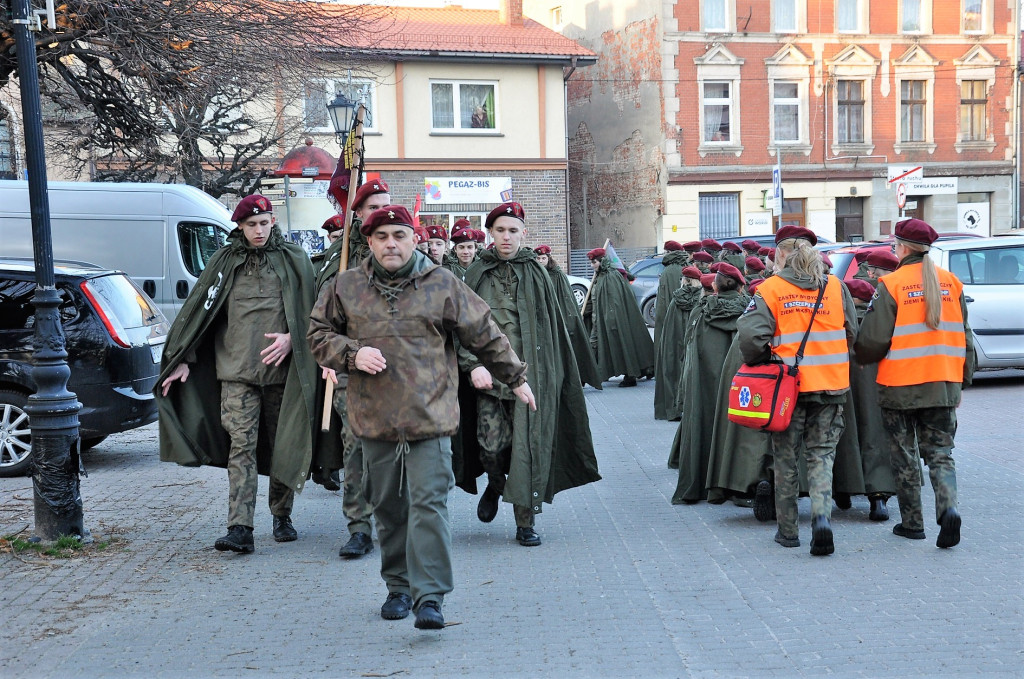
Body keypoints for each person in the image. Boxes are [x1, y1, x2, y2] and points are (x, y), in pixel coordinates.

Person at [307, 205, 537, 630]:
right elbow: (318, 334)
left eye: (399, 235)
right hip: (374, 419)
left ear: (414, 239)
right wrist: (352, 353)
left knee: (429, 504)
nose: (390, 244)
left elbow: (483, 330)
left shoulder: (442, 284)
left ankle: (430, 596)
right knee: (390, 508)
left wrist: (516, 377)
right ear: (370, 242)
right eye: (381, 237)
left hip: (431, 416)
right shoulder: (347, 286)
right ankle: (398, 586)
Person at [157, 194, 318, 553]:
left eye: (263, 223)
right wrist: (185, 357)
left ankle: (282, 514)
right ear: (240, 227)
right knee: (241, 448)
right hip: (236, 373)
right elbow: (202, 313)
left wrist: (294, 338)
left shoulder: (294, 260)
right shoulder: (224, 262)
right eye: (250, 225)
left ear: (273, 221)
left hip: (283, 375)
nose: (258, 231)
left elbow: (314, 313)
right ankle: (240, 526)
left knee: (282, 446)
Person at [458, 202, 600, 547]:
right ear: (490, 234)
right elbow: (460, 325)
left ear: (524, 233)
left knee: (528, 450)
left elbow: (552, 328)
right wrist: (472, 364)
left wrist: (555, 374)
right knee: (491, 447)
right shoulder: (475, 273)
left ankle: (525, 521)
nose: (507, 237)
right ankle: (495, 484)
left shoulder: (538, 273)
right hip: (489, 380)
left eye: (513, 230)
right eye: (500, 230)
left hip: (530, 379)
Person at [737, 225, 858, 556]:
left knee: (785, 459)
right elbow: (852, 331)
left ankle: (788, 531)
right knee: (822, 457)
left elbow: (749, 339)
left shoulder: (771, 289)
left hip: (786, 390)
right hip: (831, 387)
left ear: (779, 255)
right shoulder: (834, 286)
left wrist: (766, 360)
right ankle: (821, 521)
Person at [854, 218, 974, 548]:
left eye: (894, 245)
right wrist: (961, 381)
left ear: (903, 248)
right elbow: (966, 338)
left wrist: (859, 354)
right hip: (943, 383)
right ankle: (948, 509)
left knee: (904, 455)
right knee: (941, 454)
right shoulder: (952, 283)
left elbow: (874, 339)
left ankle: (912, 524)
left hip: (900, 386)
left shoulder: (892, 284)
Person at [670, 263, 749, 504]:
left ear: (715, 286)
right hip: (739, 383)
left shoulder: (701, 311)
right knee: (737, 430)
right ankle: (736, 485)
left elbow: (689, 347)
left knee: (703, 426)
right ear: (739, 286)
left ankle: (702, 483)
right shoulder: (749, 311)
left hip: (704, 383)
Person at [845, 278, 896, 521]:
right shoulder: (883, 324)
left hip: (840, 390)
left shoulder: (838, 323)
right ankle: (878, 499)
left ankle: (842, 491)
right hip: (879, 391)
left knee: (842, 439)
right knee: (876, 436)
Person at [584, 247, 655, 387]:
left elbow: (614, 302)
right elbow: (596, 299)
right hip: (600, 320)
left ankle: (630, 375)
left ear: (602, 261)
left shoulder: (610, 276)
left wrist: (610, 322)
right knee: (597, 346)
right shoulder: (601, 276)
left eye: (594, 262)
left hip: (610, 321)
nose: (592, 266)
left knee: (621, 346)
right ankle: (595, 374)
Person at [534, 244, 602, 389]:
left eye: (543, 258)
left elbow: (565, 299)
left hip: (561, 318)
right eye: (538, 258)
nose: (541, 260)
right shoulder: (536, 274)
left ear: (549, 258)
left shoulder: (557, 275)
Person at [654, 241, 689, 420]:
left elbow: (662, 306)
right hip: (685, 324)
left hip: (671, 324)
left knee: (670, 365)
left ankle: (672, 408)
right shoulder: (686, 267)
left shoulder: (668, 272)